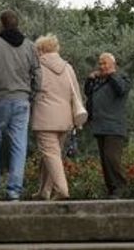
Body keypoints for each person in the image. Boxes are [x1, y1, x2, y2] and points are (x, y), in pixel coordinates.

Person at [0, 9, 39, 201]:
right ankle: (14, 190)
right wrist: (31, 94)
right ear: (17, 24)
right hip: (22, 101)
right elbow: (38, 75)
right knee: (19, 145)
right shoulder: (29, 46)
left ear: (1, 24)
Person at [30, 35, 86, 201]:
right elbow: (75, 92)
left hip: (45, 117)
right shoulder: (68, 68)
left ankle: (62, 190)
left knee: (51, 155)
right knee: (51, 154)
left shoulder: (38, 67)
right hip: (65, 118)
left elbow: (32, 89)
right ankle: (43, 191)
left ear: (40, 50)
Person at [84, 51, 131, 199]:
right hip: (99, 125)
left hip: (114, 127)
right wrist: (89, 80)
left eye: (104, 63)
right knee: (104, 160)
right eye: (100, 63)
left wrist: (111, 75)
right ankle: (112, 189)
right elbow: (88, 93)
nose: (101, 66)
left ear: (113, 65)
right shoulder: (99, 81)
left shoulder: (122, 78)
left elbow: (120, 89)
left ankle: (120, 187)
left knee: (112, 158)